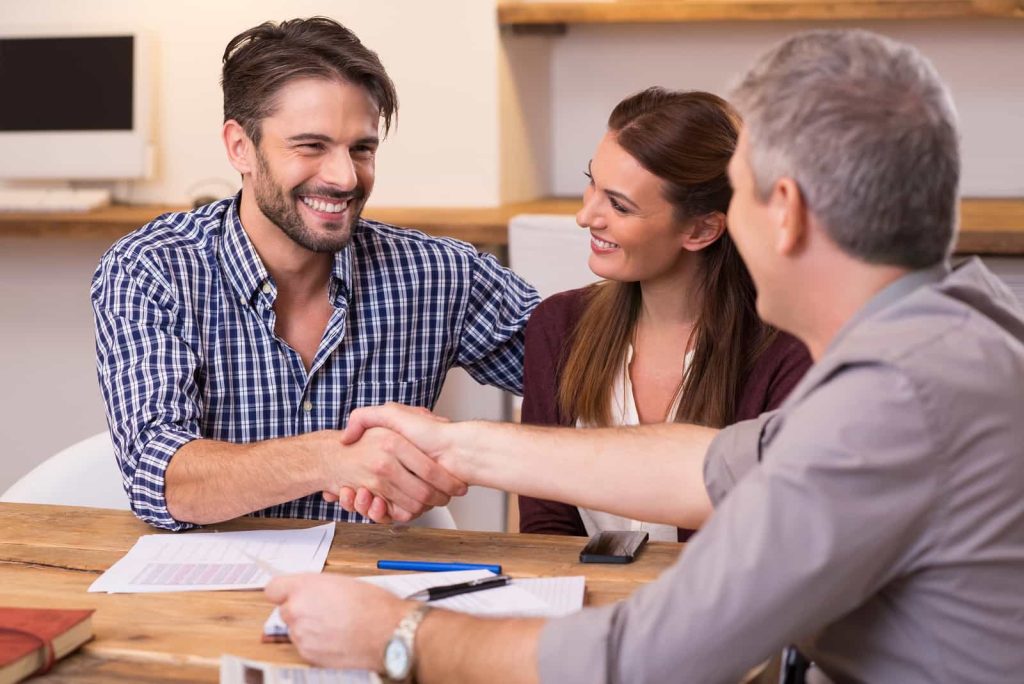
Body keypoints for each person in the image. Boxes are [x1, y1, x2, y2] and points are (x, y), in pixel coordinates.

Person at [266, 29, 1024, 683]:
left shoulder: (894, 403)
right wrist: (457, 445)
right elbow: (707, 466)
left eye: (738, 190)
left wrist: (394, 636)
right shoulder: (955, 339)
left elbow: (647, 662)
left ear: (783, 211)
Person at [90, 17, 538, 532]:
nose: (345, 177)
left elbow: (591, 374)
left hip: (371, 593)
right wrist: (332, 457)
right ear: (240, 147)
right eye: (311, 146)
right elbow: (161, 478)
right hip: (205, 600)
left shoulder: (438, 274)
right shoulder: (152, 269)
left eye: (362, 149)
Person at [517, 87, 810, 542]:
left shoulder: (788, 352)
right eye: (592, 181)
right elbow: (547, 528)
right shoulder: (558, 326)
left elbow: (770, 540)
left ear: (701, 228)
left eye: (619, 205)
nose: (585, 215)